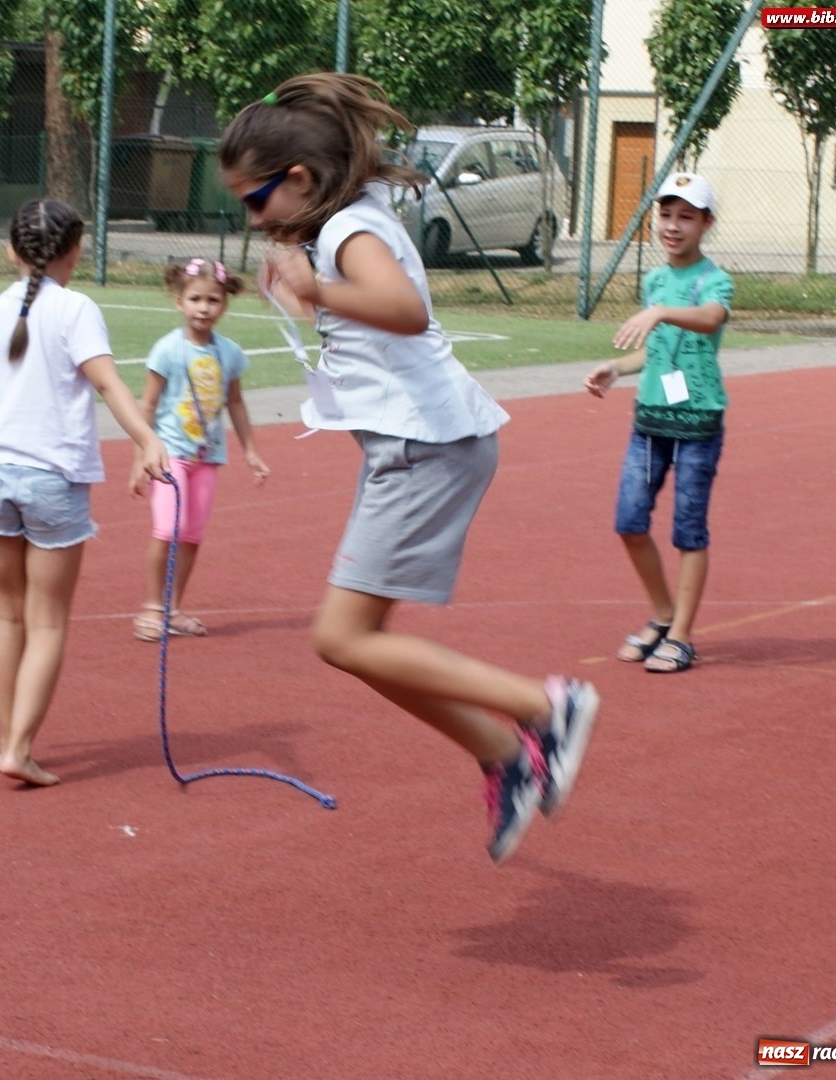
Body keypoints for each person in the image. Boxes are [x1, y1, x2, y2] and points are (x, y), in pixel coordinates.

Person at [218, 74, 598, 863]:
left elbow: (406, 309)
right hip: (414, 445)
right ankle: (504, 756)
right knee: (360, 643)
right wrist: (304, 295)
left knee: (343, 638)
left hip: (425, 447)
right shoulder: (340, 227)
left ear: (299, 180)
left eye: (255, 201)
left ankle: (546, 706)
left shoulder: (348, 233)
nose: (250, 218)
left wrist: (317, 283)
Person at [0, 198, 170, 787]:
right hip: (52, 480)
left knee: (6, 615)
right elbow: (109, 383)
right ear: (76, 251)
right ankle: (17, 747)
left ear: (11, 251)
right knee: (48, 622)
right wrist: (146, 439)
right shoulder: (75, 309)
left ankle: (10, 735)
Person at [584, 173, 732, 675]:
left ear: (705, 224)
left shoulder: (713, 279)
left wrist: (664, 312)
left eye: (686, 216)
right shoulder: (654, 281)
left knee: (689, 530)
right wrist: (617, 369)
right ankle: (664, 616)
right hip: (650, 422)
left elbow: (710, 319)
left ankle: (684, 637)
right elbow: (654, 351)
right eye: (666, 214)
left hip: (697, 424)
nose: (673, 225)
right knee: (629, 521)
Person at [131, 258, 270, 641]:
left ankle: (174, 608)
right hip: (169, 455)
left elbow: (235, 403)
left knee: (191, 535)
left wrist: (251, 451)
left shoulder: (229, 353)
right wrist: (141, 455)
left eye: (213, 300)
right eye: (195, 299)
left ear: (224, 305)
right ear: (179, 302)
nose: (203, 308)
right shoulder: (167, 350)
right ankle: (151, 606)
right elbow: (147, 405)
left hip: (207, 458)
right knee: (167, 529)